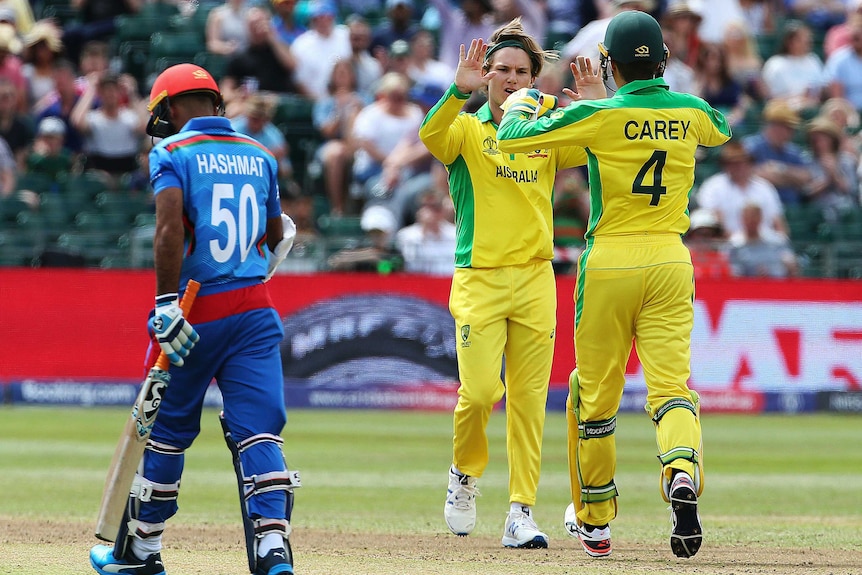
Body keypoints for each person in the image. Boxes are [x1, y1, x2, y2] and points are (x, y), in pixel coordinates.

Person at [497, 9, 732, 559]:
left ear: (610, 63)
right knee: (673, 390)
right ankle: (680, 473)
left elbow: (512, 137)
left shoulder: (601, 114)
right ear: (664, 60)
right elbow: (720, 128)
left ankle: (597, 523)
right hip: (672, 260)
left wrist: (531, 96)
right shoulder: (690, 110)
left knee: (593, 396)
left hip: (609, 262)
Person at [88, 62, 299, 575]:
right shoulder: (260, 153)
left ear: (174, 107)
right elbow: (276, 237)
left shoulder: (172, 152)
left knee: (164, 430)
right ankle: (274, 550)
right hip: (254, 309)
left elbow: (167, 232)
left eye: (162, 112)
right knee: (260, 434)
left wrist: (164, 303)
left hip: (191, 310)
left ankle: (141, 549)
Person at [418, 18, 588, 549]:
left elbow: (592, 146)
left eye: (520, 72)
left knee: (530, 399)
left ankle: (521, 511)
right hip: (480, 279)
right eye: (501, 71)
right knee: (481, 393)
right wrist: (456, 90)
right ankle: (463, 476)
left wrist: (595, 103)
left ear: (534, 79)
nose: (511, 80)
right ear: (487, 75)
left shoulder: (544, 132)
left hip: (537, 278)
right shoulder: (467, 131)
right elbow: (430, 135)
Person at [695, 141, 789, 238]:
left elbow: (778, 223)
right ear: (725, 165)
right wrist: (737, 241)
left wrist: (781, 244)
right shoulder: (712, 186)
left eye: (743, 162)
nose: (739, 167)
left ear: (750, 163)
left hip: (764, 245)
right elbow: (713, 223)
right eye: (733, 163)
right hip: (727, 246)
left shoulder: (764, 187)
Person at [728, 201, 799, 277]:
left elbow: (790, 261)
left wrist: (790, 264)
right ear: (742, 218)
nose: (751, 220)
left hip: (777, 284)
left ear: (760, 217)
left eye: (754, 216)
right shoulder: (735, 245)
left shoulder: (777, 241)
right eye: (747, 217)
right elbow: (734, 274)